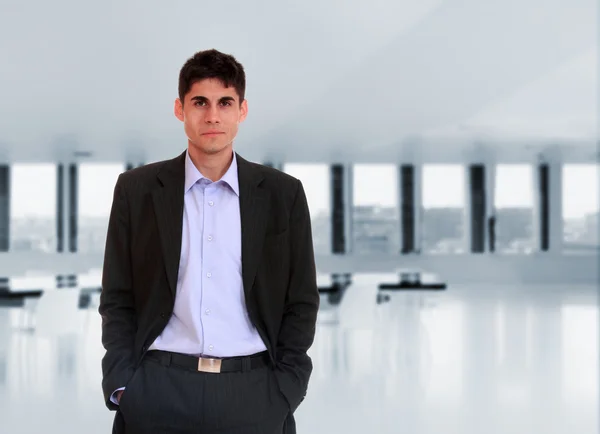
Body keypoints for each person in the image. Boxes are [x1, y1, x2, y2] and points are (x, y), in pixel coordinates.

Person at [99, 48, 320, 434]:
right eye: (200, 102)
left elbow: (301, 300)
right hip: (157, 389)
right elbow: (118, 295)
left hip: (254, 391)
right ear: (179, 108)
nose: (213, 115)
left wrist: (286, 389)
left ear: (242, 110)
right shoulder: (137, 190)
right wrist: (124, 385)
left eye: (225, 102)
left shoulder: (284, 194)